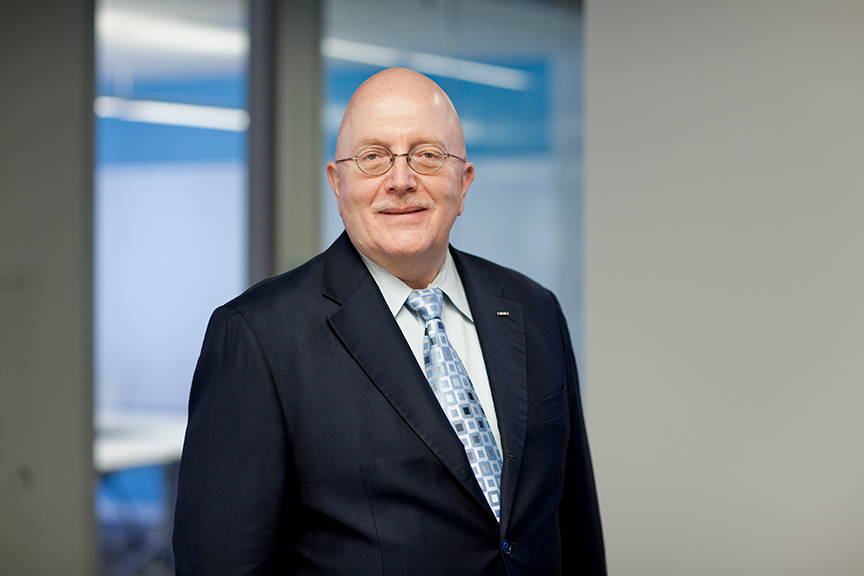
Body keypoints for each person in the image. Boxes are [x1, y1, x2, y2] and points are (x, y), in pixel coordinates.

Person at [173, 67, 605, 576]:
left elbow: (575, 528)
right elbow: (222, 562)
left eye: (427, 155)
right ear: (338, 183)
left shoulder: (534, 309)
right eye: (374, 158)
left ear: (463, 182)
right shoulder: (257, 336)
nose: (401, 181)